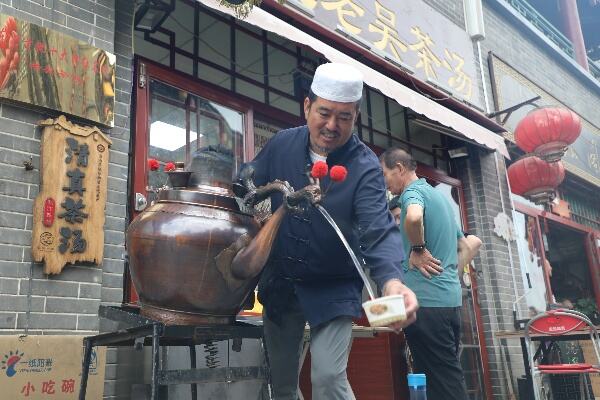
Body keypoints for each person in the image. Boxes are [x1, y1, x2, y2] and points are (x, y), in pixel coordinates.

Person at [241, 63, 418, 400]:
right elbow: (247, 178)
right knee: (280, 384)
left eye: (345, 117)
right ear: (307, 106)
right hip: (282, 279)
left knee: (326, 377)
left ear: (356, 118)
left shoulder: (364, 165)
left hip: (334, 284)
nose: (332, 126)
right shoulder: (281, 144)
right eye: (324, 112)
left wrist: (392, 282)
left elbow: (378, 229)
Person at [380, 147, 481, 400]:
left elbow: (413, 218)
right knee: (443, 376)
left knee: (442, 384)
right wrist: (451, 277)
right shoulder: (440, 199)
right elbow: (468, 245)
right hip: (449, 302)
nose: (385, 183)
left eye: (385, 175)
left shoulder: (412, 193)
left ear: (400, 169)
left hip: (427, 306)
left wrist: (418, 249)